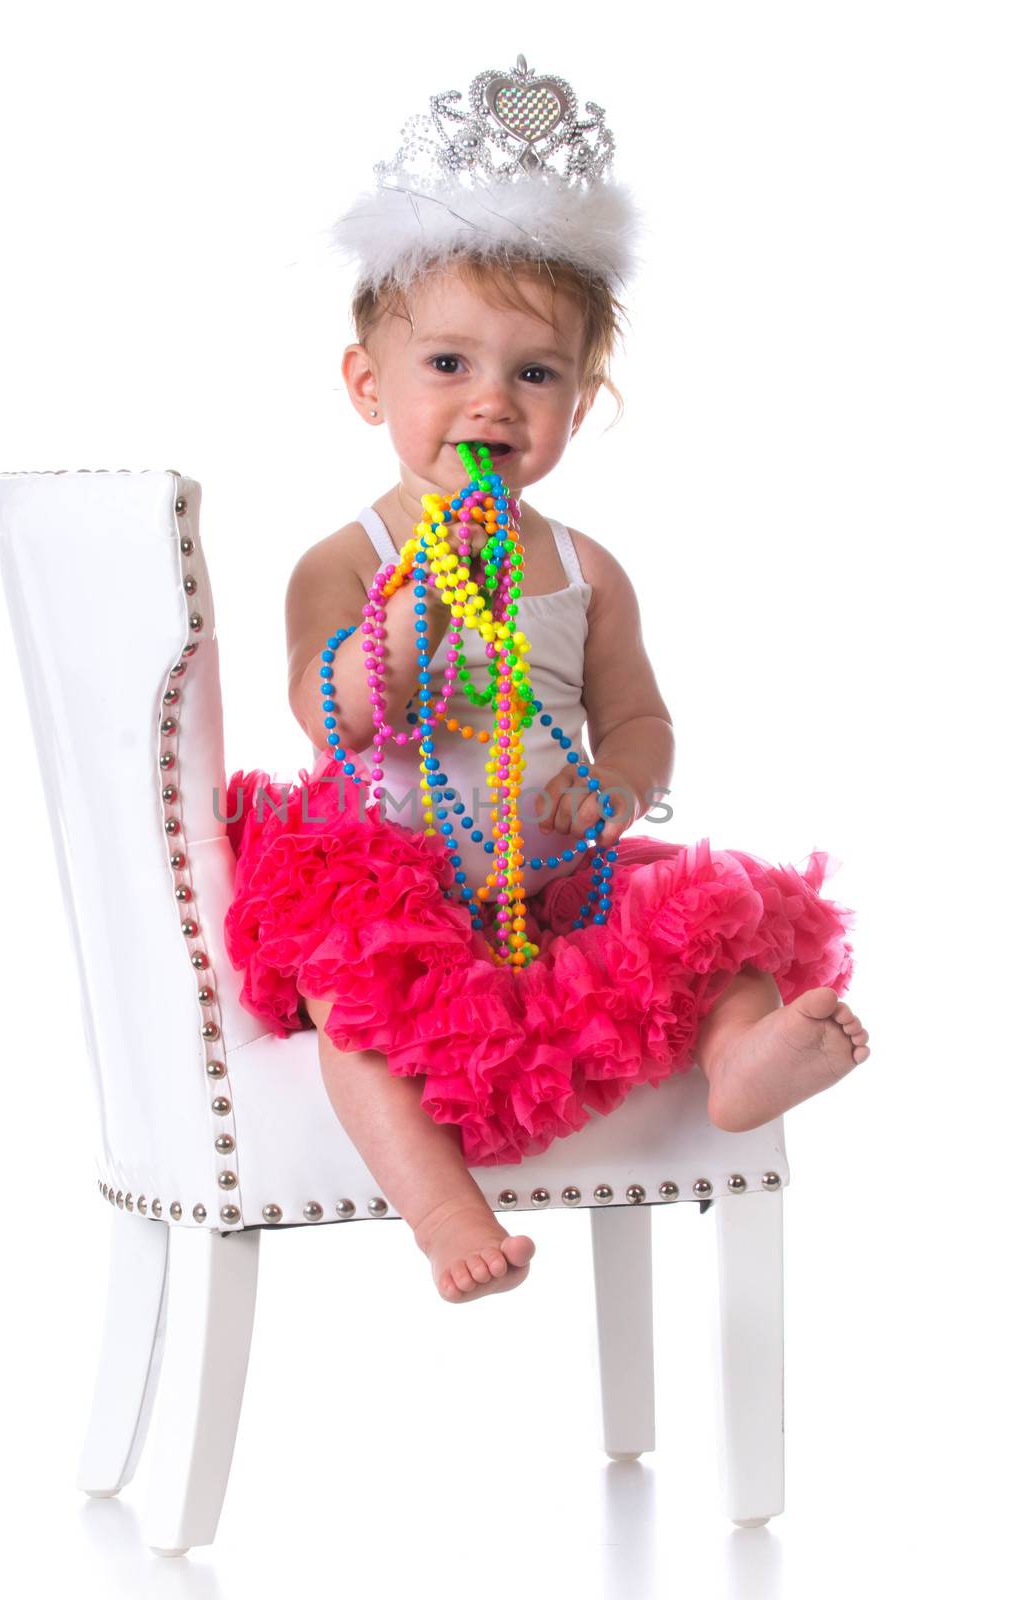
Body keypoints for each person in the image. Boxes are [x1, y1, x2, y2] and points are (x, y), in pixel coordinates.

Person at [222, 55, 869, 1306]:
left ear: (582, 397)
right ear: (370, 385)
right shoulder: (343, 558)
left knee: (717, 927)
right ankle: (439, 1207)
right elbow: (331, 709)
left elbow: (636, 714)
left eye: (535, 373)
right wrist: (413, 602)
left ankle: (740, 1062)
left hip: (549, 879)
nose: (493, 402)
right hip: (394, 881)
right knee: (348, 1008)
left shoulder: (582, 565)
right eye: (448, 365)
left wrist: (619, 782)